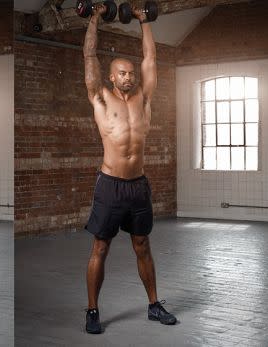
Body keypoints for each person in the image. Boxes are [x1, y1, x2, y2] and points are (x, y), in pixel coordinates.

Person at [82, 3, 177, 334]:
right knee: (100, 247)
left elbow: (151, 60)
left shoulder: (144, 99)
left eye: (131, 73)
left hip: (138, 186)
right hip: (110, 184)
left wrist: (144, 20)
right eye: (122, 72)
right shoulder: (100, 98)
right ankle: (92, 310)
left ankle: (153, 304)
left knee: (142, 246)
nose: (129, 76)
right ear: (111, 76)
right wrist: (93, 17)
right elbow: (89, 59)